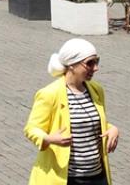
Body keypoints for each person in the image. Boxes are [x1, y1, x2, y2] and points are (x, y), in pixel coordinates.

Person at [24, 38, 119, 185]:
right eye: (90, 63)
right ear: (72, 65)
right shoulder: (50, 94)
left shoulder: (96, 90)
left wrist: (112, 129)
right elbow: (31, 128)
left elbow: (95, 123)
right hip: (66, 178)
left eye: (97, 61)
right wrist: (48, 139)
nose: (95, 68)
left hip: (97, 176)